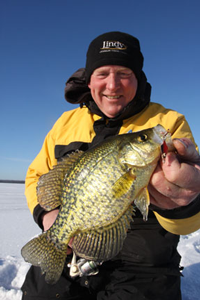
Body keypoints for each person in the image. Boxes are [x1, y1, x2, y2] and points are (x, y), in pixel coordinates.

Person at [21, 31, 200, 300]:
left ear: (138, 78)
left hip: (143, 264)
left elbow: (187, 215)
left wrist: (186, 202)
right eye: (102, 73)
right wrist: (48, 216)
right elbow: (38, 176)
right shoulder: (66, 123)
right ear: (89, 79)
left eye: (124, 73)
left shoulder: (167, 123)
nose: (113, 85)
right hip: (73, 248)